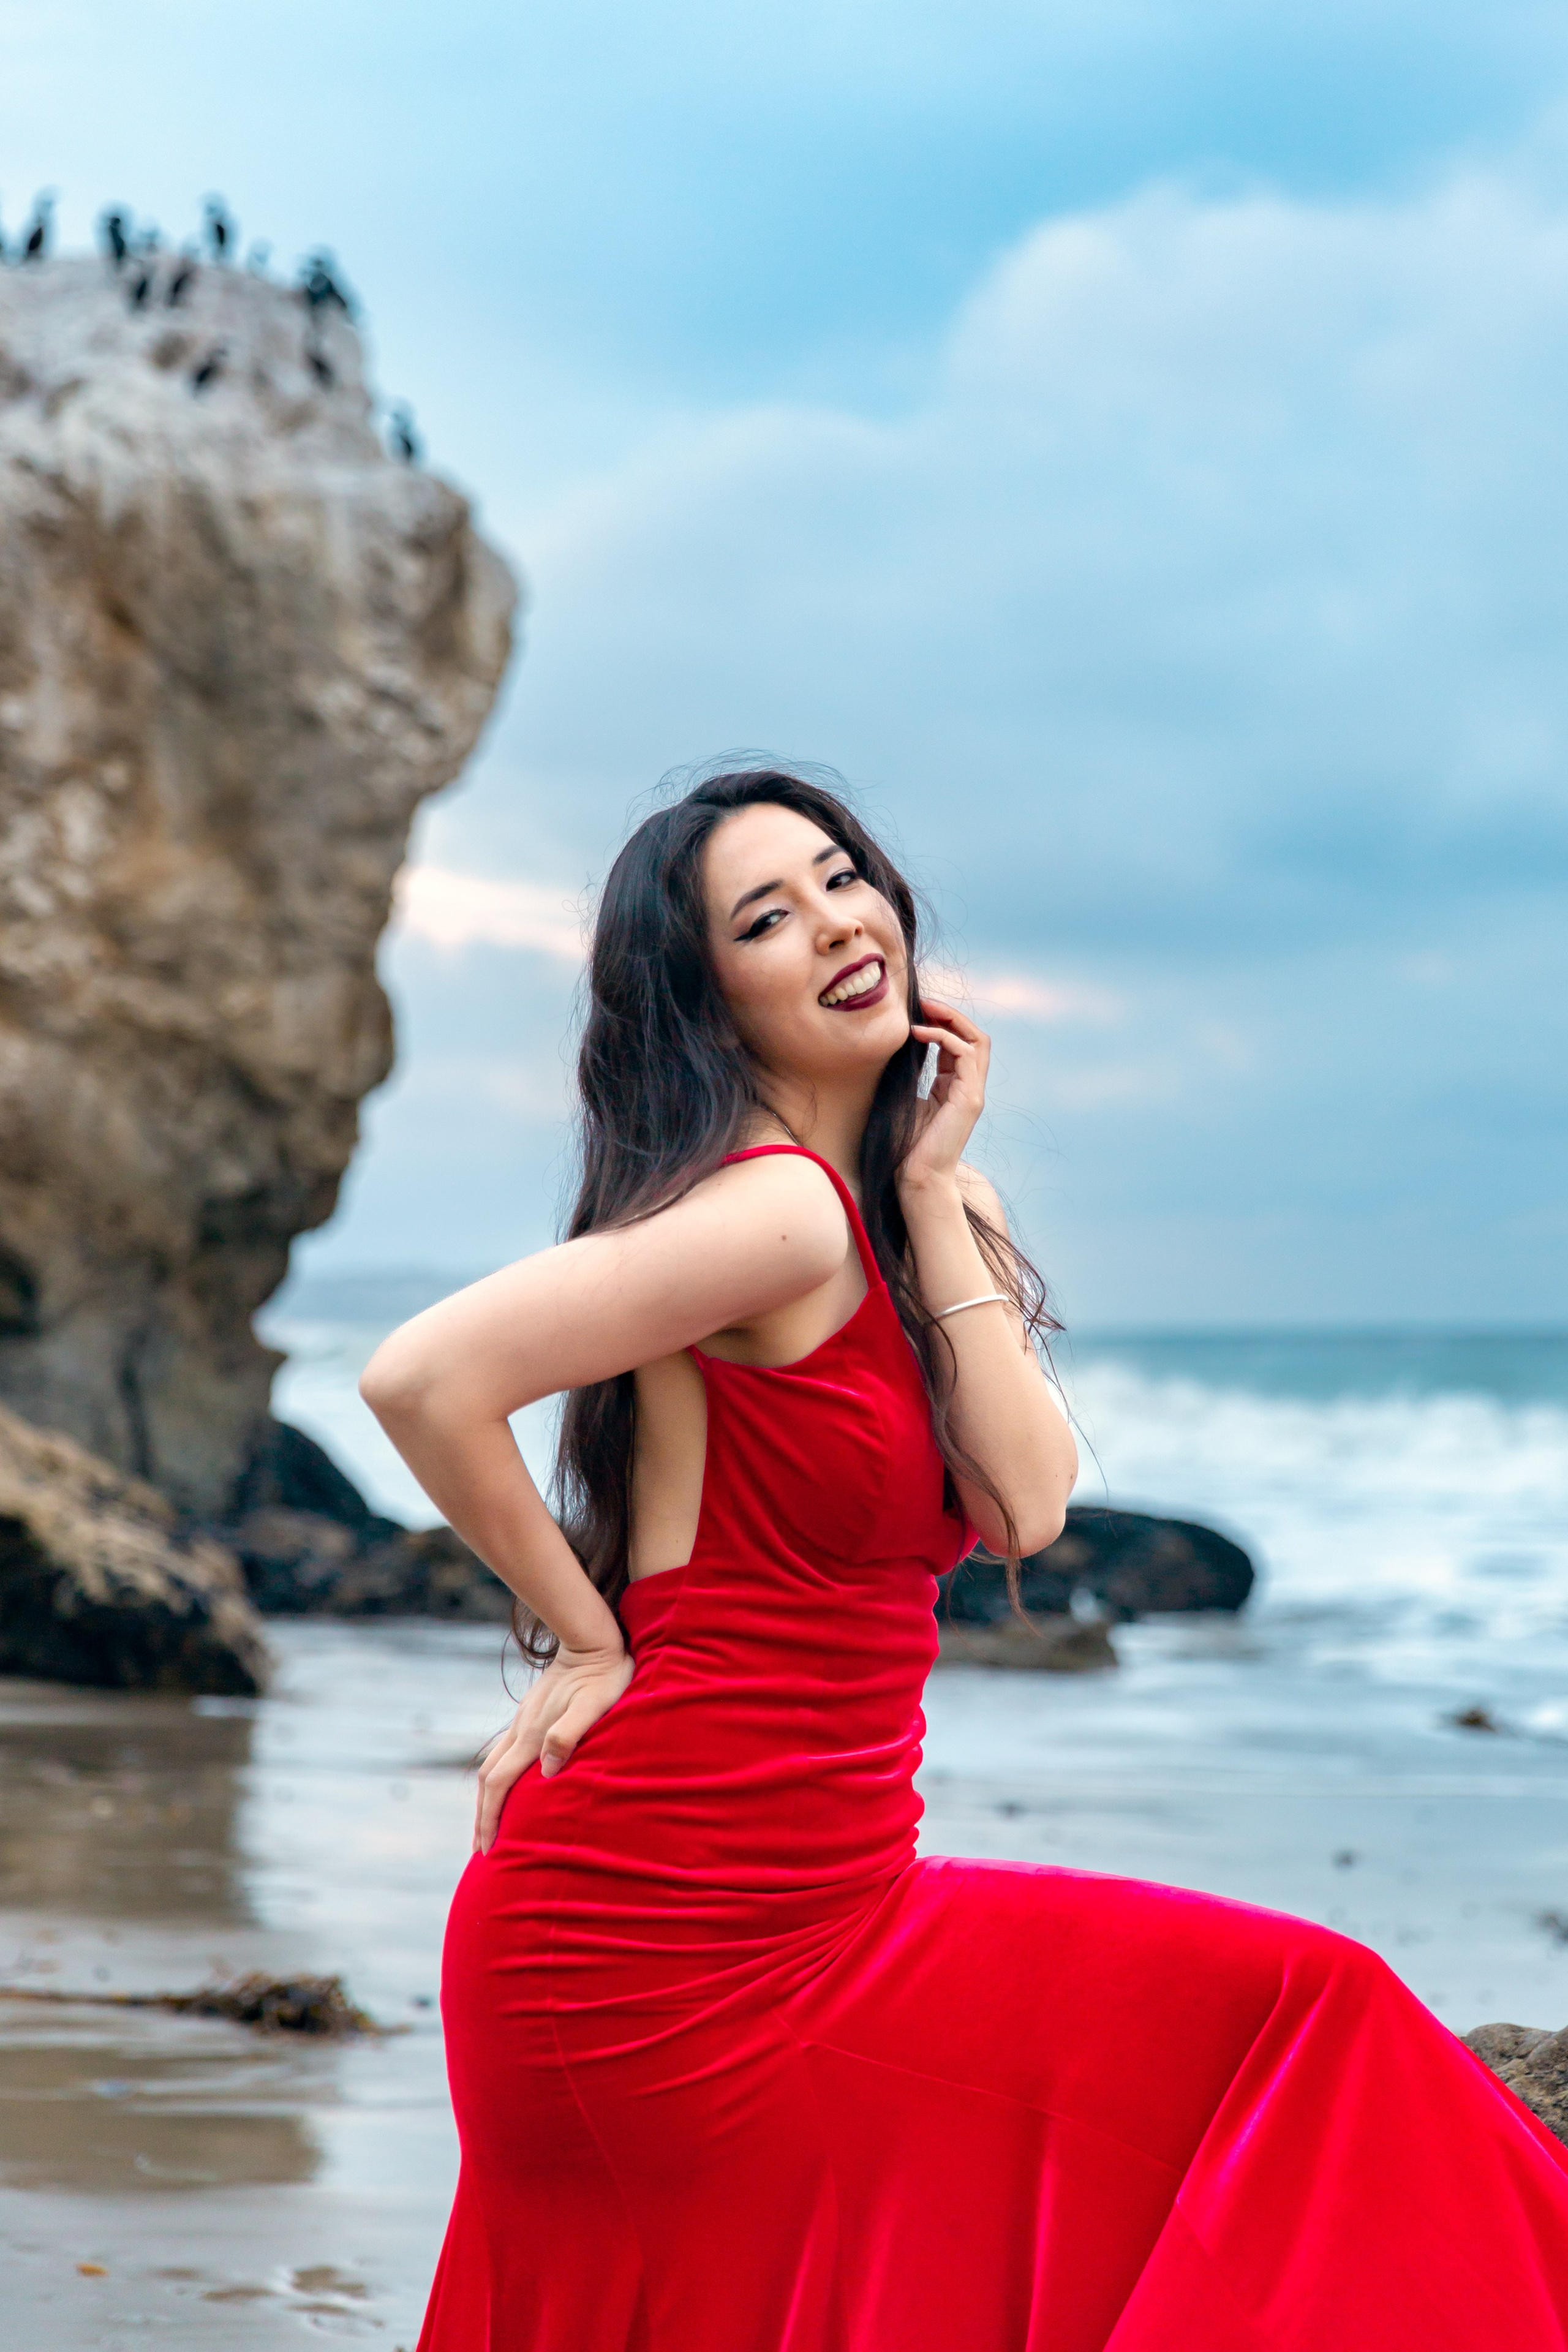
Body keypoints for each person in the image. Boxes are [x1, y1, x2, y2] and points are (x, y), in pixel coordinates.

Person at [363, 767, 1568, 2350]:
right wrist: (583, 1638)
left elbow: (1025, 1506)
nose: (839, 922)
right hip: (663, 1931)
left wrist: (934, 1191)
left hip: (832, 1899)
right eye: (766, 918)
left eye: (843, 874)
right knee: (1303, 2016)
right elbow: (423, 1380)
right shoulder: (774, 1217)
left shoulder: (902, 1211)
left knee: (1273, 2039)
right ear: (709, 1002)